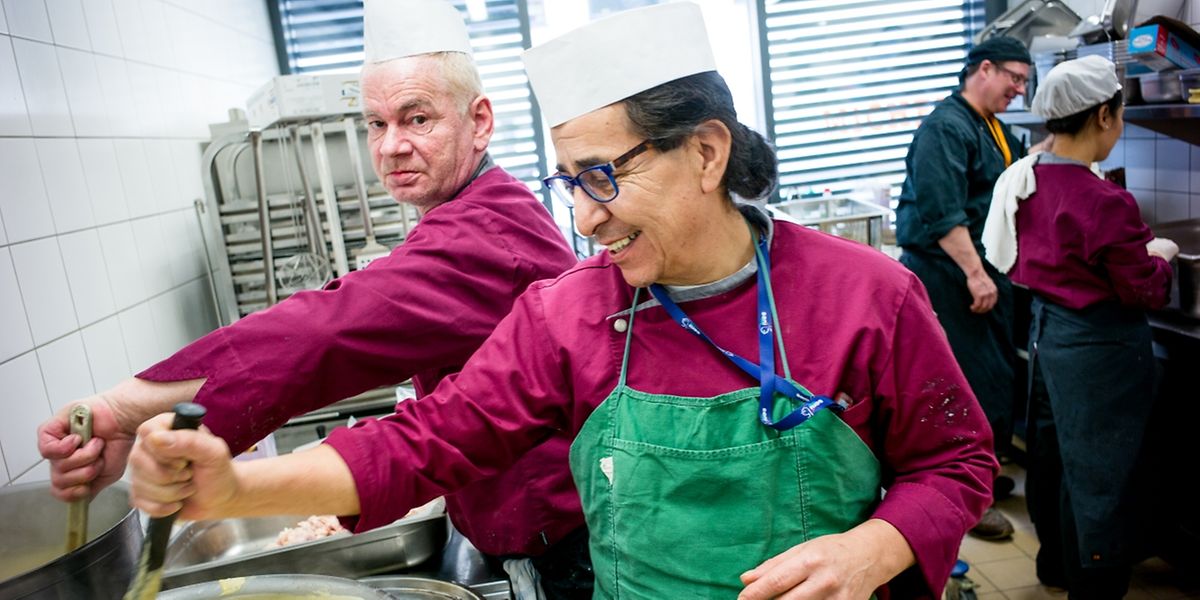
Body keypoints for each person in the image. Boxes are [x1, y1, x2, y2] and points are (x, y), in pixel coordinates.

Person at [126, 3, 997, 598]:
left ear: (705, 151)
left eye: (601, 178)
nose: (581, 216)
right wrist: (234, 486)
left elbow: (954, 463)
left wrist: (871, 549)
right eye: (567, 180)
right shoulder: (567, 314)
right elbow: (424, 443)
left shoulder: (868, 296)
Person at [36, 0, 587, 596]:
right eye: (377, 124)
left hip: (567, 552)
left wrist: (120, 408)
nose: (392, 146)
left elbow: (330, 328)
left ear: (479, 121)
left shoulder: (488, 233)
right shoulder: (466, 214)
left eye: (417, 118)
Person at [983, 55, 1177, 598]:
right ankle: (1096, 583)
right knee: (1103, 473)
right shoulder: (1103, 201)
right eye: (1118, 112)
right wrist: (1159, 254)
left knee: (1055, 458)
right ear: (1102, 116)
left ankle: (1056, 563)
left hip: (1049, 337)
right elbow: (1145, 289)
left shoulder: (1029, 177)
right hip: (1099, 349)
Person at [893, 35, 1039, 541]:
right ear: (983, 69)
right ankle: (966, 502)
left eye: (1025, 80)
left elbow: (1012, 178)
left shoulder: (992, 127)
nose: (1019, 89)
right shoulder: (945, 128)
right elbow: (942, 212)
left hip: (985, 271)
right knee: (968, 386)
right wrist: (976, 275)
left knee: (997, 379)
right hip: (951, 275)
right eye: (1014, 78)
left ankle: (985, 475)